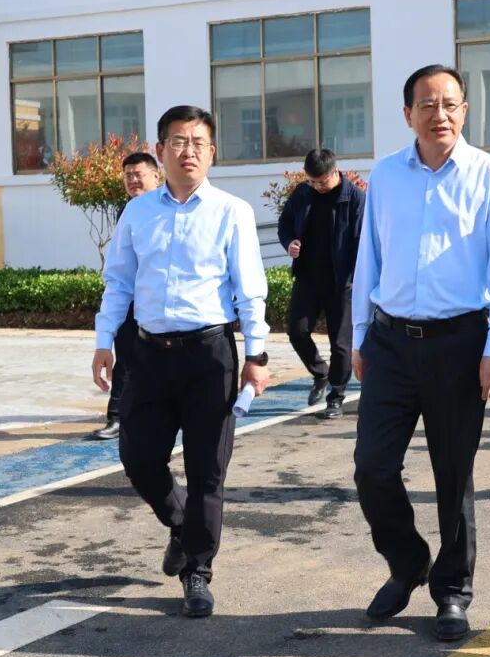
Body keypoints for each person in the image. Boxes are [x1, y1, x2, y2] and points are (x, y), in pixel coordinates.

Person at [351, 64, 490, 643]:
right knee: (372, 467)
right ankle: (407, 562)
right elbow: (369, 257)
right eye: (427, 104)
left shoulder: (489, 174)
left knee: (453, 474)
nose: (439, 114)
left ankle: (452, 590)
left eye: (450, 103)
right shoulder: (385, 175)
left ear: (465, 110)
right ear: (408, 114)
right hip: (390, 344)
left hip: (460, 345)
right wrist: (359, 334)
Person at [91, 105, 271, 618]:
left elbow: (250, 290)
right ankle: (180, 523)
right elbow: (119, 281)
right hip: (148, 355)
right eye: (177, 141)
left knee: (207, 471)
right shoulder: (137, 212)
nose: (187, 151)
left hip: (210, 357)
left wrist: (256, 355)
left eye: (197, 143)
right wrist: (104, 341)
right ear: (160, 149)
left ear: (211, 152)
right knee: (138, 459)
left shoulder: (231, 211)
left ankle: (197, 569)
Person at [277, 148, 365, 419]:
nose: (316, 186)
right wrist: (289, 242)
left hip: (342, 282)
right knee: (297, 330)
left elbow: (362, 242)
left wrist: (356, 280)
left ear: (335, 172)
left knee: (340, 344)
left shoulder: (355, 199)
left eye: (321, 181)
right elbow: (285, 223)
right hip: (308, 277)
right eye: (312, 181)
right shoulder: (303, 193)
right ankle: (320, 372)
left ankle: (336, 396)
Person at [92, 151, 161, 440]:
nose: (133, 180)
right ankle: (117, 416)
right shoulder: (129, 211)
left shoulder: (170, 209)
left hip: (161, 303)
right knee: (125, 357)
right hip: (131, 300)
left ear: (156, 176)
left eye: (138, 174)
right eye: (128, 176)